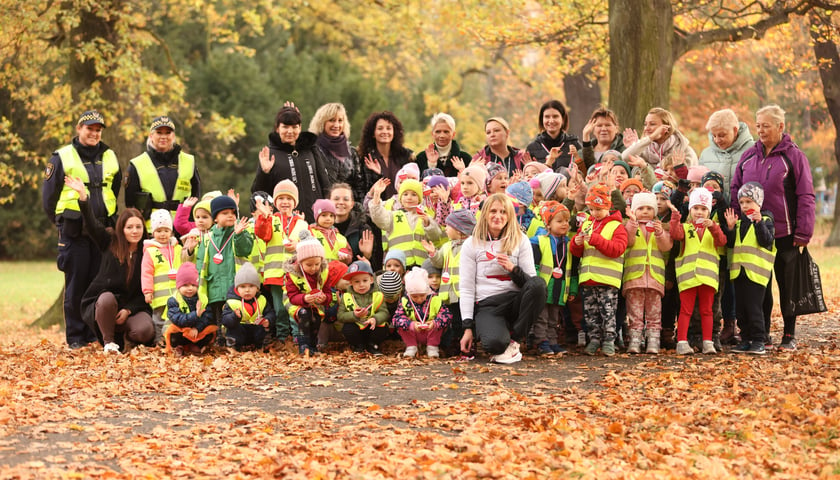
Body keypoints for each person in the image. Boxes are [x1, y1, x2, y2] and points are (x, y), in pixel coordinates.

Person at [729, 104, 816, 350]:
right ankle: (761, 334)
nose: (760, 130)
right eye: (758, 126)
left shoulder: (794, 156)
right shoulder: (748, 156)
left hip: (784, 232)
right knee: (760, 285)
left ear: (780, 127)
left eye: (766, 126)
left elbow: (806, 195)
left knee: (786, 284)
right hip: (754, 233)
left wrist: (804, 231)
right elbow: (736, 189)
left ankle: (789, 335)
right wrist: (737, 221)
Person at [42, 110, 121, 349]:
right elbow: (49, 198)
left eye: (98, 130)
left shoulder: (110, 155)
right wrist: (61, 224)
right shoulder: (61, 156)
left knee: (98, 284)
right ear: (79, 129)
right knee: (76, 285)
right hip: (74, 232)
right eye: (90, 129)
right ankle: (76, 337)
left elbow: (114, 189)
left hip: (102, 233)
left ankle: (93, 333)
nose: (94, 133)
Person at [65, 177, 153, 353]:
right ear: (122, 229)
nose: (134, 231)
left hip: (132, 307)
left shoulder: (148, 249)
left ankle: (127, 338)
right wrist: (83, 197)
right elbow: (91, 224)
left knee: (144, 331)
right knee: (106, 299)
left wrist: (128, 310)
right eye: (129, 227)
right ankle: (109, 343)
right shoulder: (109, 241)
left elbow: (145, 289)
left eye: (138, 227)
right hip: (106, 304)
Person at [458, 193, 547, 364]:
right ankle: (501, 338)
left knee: (539, 285)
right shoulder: (471, 243)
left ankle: (515, 343)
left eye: (503, 212)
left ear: (509, 215)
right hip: (489, 304)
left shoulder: (521, 240)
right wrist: (467, 328)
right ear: (485, 214)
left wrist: (513, 270)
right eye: (493, 211)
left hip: (515, 301)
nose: (498, 216)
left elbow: (532, 284)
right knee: (494, 345)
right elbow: (467, 288)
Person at [570, 184, 628, 356]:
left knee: (608, 312)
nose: (594, 213)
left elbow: (617, 249)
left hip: (607, 280)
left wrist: (595, 239)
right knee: (590, 313)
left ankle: (609, 340)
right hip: (588, 278)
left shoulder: (617, 226)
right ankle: (594, 339)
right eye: (592, 209)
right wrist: (576, 243)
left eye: (598, 209)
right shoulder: (587, 224)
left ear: (608, 206)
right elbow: (577, 251)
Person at [669, 188, 727, 355]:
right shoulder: (686, 228)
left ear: (709, 211)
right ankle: (681, 342)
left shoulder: (712, 228)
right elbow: (675, 233)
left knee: (707, 310)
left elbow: (722, 241)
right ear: (690, 210)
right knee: (685, 310)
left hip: (708, 278)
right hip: (688, 278)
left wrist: (714, 227)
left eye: (703, 209)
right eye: (696, 208)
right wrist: (675, 217)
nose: (699, 212)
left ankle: (708, 342)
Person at [252, 105, 331, 224]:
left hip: (316, 222)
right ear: (277, 128)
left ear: (300, 128)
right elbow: (258, 194)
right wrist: (265, 173)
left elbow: (324, 182)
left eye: (294, 127)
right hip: (285, 226)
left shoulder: (309, 150)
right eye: (285, 127)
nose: (290, 131)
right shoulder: (270, 154)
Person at [723, 183, 776, 355]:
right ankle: (745, 339)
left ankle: (759, 340)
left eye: (749, 202)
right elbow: (731, 244)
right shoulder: (739, 223)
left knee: (754, 308)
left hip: (756, 274)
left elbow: (766, 241)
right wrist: (730, 228)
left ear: (758, 202)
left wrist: (759, 222)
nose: (745, 206)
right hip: (739, 272)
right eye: (742, 202)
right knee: (741, 309)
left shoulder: (766, 220)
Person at [254, 180, 309, 340]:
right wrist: (264, 217)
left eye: (289, 198)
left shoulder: (302, 223)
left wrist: (297, 244)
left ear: (295, 202)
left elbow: (309, 243)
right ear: (275, 202)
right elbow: (262, 234)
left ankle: (298, 336)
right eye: (281, 198)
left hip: (295, 274)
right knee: (279, 308)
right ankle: (282, 337)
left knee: (294, 305)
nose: (285, 202)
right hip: (276, 272)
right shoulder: (271, 219)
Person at [125, 116, 200, 229]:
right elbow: (130, 202)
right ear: (151, 135)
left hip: (183, 226)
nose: (163, 137)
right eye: (159, 132)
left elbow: (196, 194)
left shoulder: (189, 161)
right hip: (153, 228)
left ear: (173, 136)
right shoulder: (137, 163)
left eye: (168, 133)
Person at [622, 192, 672, 354]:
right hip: (634, 276)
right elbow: (628, 241)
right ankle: (635, 339)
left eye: (649, 208)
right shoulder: (631, 225)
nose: (645, 211)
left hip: (655, 278)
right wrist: (632, 223)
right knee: (634, 312)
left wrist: (660, 233)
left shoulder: (659, 226)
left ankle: (653, 340)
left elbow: (666, 247)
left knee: (654, 311)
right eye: (641, 208)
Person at [196, 195, 253, 330]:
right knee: (217, 316)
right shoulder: (207, 238)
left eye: (233, 213)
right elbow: (200, 262)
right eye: (225, 213)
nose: (230, 216)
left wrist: (239, 235)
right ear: (215, 217)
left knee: (232, 314)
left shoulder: (239, 232)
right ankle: (220, 340)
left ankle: (232, 339)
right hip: (213, 285)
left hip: (234, 284)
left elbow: (245, 249)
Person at [531, 202, 577, 355]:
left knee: (554, 318)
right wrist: (535, 286)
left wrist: (573, 290)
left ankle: (552, 341)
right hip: (543, 287)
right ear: (548, 224)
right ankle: (541, 341)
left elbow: (574, 269)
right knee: (541, 317)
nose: (564, 224)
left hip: (560, 287)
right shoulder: (539, 241)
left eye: (566, 221)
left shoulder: (569, 244)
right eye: (559, 221)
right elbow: (535, 266)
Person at [369, 178, 443, 269]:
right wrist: (377, 194)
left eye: (414, 194)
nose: (409, 197)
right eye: (405, 194)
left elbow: (436, 237)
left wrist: (427, 223)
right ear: (400, 198)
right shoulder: (393, 216)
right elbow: (378, 217)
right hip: (398, 268)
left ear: (420, 199)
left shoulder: (426, 215)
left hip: (422, 267)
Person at [283, 231, 336, 355]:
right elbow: (291, 296)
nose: (313, 268)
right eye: (309, 265)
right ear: (300, 263)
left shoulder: (324, 272)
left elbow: (329, 293)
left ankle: (313, 345)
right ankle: (304, 345)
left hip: (316, 305)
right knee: (304, 314)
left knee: (316, 319)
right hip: (297, 304)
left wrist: (324, 298)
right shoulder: (292, 275)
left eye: (317, 264)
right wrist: (305, 298)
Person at [309, 103, 366, 203]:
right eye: (331, 120)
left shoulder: (352, 153)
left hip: (347, 212)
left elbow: (359, 187)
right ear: (322, 123)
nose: (336, 125)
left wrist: (357, 212)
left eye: (340, 120)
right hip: (321, 212)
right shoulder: (312, 150)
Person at [141, 209, 182, 345]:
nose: (163, 234)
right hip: (159, 295)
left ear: (171, 231)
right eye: (159, 231)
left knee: (174, 318)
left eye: (166, 230)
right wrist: (147, 291)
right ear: (153, 233)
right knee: (158, 320)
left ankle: (173, 340)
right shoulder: (150, 251)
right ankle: (159, 340)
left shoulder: (177, 248)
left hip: (177, 294)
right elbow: (146, 273)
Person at [393, 267, 451, 358]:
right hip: (414, 331)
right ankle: (411, 346)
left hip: (431, 330)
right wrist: (411, 325)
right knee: (402, 326)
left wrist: (435, 323)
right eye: (415, 296)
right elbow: (396, 319)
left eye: (422, 295)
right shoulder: (405, 301)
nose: (419, 299)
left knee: (439, 325)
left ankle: (432, 347)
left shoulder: (435, 299)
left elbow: (446, 316)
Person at [699, 109, 755, 202]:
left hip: (745, 212)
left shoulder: (754, 150)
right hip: (713, 215)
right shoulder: (706, 155)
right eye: (714, 135)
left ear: (735, 130)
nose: (717, 140)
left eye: (722, 135)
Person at [163, 262, 218, 354]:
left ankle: (196, 345)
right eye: (185, 285)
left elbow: (207, 316)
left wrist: (197, 328)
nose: (190, 288)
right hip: (181, 329)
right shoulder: (174, 300)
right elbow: (177, 319)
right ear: (178, 287)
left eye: (193, 285)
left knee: (209, 333)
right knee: (174, 336)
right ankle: (179, 347)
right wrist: (195, 315)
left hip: (196, 330)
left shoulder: (202, 298)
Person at [338, 261, 390, 355]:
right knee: (348, 328)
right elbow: (340, 316)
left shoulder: (377, 294)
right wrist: (354, 315)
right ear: (350, 283)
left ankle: (373, 346)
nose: (361, 284)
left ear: (371, 280)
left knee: (382, 326)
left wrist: (375, 318)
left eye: (365, 281)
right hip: (357, 327)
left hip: (372, 326)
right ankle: (358, 346)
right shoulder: (347, 296)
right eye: (356, 281)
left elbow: (384, 312)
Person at [359, 111, 414, 199]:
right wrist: (378, 175)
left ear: (394, 132)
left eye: (388, 128)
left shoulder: (406, 156)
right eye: (380, 128)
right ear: (373, 133)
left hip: (402, 209)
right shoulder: (365, 158)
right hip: (377, 209)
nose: (385, 132)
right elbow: (363, 191)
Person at [221, 262, 275, 351]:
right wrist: (234, 316)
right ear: (237, 288)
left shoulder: (262, 300)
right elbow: (225, 320)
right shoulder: (231, 302)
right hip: (240, 330)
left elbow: (270, 312)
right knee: (234, 328)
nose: (247, 290)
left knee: (263, 328)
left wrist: (268, 320)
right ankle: (233, 345)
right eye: (243, 287)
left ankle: (262, 345)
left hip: (255, 329)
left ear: (257, 288)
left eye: (251, 286)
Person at [622, 107, 698, 166]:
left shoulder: (683, 150)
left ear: (666, 126)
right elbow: (625, 157)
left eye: (652, 124)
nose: (647, 128)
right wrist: (650, 138)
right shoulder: (644, 148)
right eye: (645, 124)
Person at [525, 100, 582, 171]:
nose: (551, 121)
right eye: (547, 117)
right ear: (542, 119)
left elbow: (584, 172)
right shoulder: (532, 148)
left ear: (563, 119)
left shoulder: (574, 144)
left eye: (555, 116)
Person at [330, 183, 377, 268]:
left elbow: (374, 267)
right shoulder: (320, 229)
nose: (341, 202)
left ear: (352, 204)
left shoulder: (363, 229)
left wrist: (367, 255)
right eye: (336, 199)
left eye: (346, 199)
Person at [415, 113, 472, 177]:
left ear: (453, 134)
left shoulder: (465, 159)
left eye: (446, 132)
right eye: (438, 132)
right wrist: (431, 164)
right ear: (432, 134)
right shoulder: (421, 158)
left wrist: (462, 170)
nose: (442, 136)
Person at [309, 199, 353, 264]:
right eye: (324, 215)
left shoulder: (341, 238)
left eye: (331, 216)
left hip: (338, 272)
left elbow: (349, 255)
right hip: (317, 272)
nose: (328, 218)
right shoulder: (310, 233)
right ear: (316, 217)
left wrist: (346, 259)